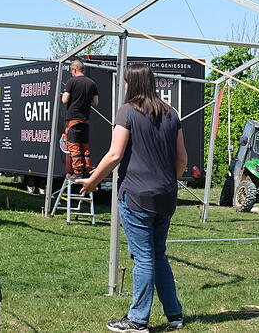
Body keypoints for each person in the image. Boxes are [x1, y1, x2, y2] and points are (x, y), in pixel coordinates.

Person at [78, 64, 187, 333]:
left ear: (133, 84)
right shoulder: (171, 113)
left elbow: (115, 155)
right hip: (166, 195)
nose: (124, 87)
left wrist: (93, 182)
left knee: (144, 258)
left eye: (126, 83)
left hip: (137, 196)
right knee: (158, 255)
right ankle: (174, 314)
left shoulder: (127, 111)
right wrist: (167, 179)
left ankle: (138, 320)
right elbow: (182, 158)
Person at [61, 59, 98, 179]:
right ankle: (87, 169)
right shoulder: (92, 83)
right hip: (85, 119)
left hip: (73, 118)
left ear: (75, 70)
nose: (71, 73)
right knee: (84, 146)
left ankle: (77, 173)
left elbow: (65, 100)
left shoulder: (71, 82)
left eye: (72, 70)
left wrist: (65, 94)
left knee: (74, 145)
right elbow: (95, 102)